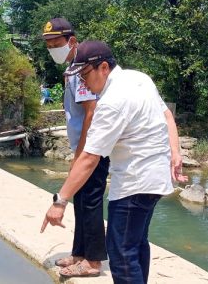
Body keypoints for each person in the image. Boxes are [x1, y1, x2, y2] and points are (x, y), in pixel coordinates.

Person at [41, 41, 187, 284]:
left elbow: (89, 158)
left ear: (104, 67)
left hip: (135, 183)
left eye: (85, 74)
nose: (84, 83)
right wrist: (175, 152)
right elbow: (166, 114)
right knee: (137, 243)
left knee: (121, 252)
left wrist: (60, 201)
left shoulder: (112, 102)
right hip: (155, 178)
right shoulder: (139, 78)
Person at [41, 18, 109, 277]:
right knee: (81, 200)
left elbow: (91, 113)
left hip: (93, 147)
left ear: (72, 41)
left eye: (56, 44)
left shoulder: (83, 70)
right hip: (83, 146)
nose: (51, 49)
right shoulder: (72, 68)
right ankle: (80, 253)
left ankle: (93, 262)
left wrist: (80, 154)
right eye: (48, 45)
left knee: (90, 201)